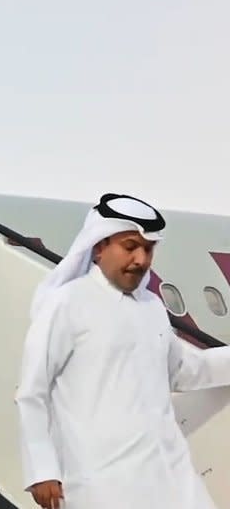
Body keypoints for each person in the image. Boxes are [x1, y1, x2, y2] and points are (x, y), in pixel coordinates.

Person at [15, 193, 230, 509]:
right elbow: (33, 392)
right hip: (102, 483)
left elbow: (184, 370)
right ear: (100, 247)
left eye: (148, 249)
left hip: (169, 474)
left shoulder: (152, 307)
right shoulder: (66, 305)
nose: (141, 259)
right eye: (130, 247)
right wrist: (42, 470)